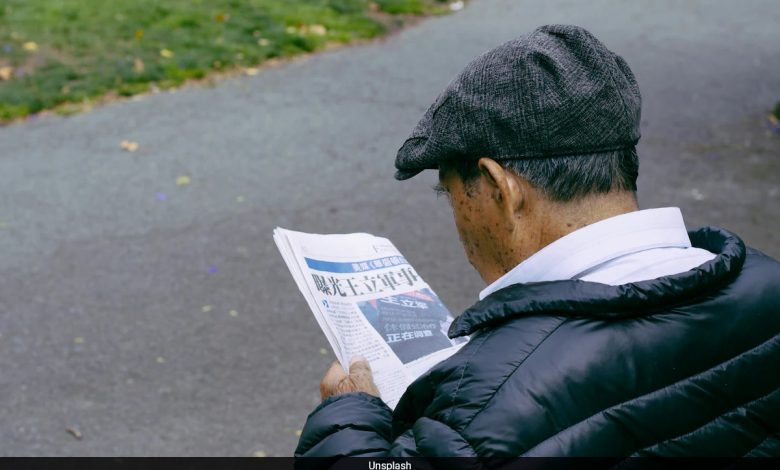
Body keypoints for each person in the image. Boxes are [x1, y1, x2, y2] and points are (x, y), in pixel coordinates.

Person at [295, 25, 780, 457]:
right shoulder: (767, 287)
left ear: (500, 187)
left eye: (450, 192)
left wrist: (350, 417)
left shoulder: (484, 404)